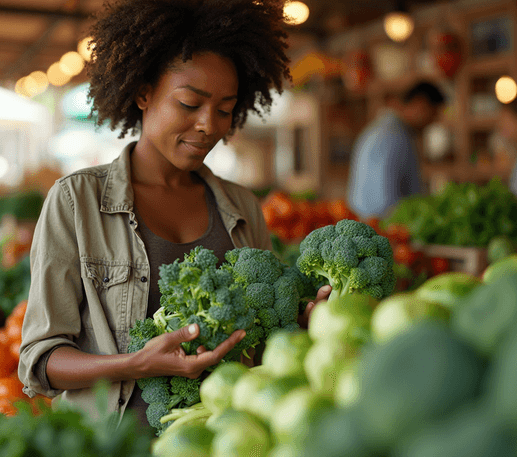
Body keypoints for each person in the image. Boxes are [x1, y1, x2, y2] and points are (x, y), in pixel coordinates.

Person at [18, 0, 331, 427]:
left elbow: (259, 334)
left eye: (224, 110)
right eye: (189, 104)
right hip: (115, 443)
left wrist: (299, 320)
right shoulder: (76, 202)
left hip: (226, 438)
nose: (208, 125)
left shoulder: (242, 207)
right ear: (144, 92)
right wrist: (135, 364)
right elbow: (41, 360)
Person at [346, 81, 445, 219]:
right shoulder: (393, 136)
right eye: (433, 113)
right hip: (381, 226)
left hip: (374, 222)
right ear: (419, 103)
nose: (433, 121)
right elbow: (385, 199)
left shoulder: (388, 130)